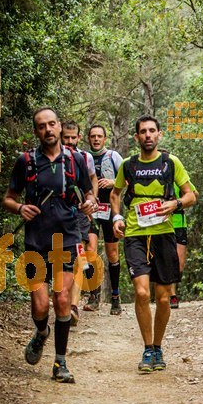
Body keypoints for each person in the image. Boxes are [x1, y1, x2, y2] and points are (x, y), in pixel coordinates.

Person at [3, 107, 96, 383]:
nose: (48, 130)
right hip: (36, 240)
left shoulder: (76, 160)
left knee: (63, 298)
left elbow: (88, 192)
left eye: (52, 124)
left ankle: (60, 363)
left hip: (66, 238)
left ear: (59, 126)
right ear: (36, 132)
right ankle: (42, 333)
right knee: (40, 306)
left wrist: (89, 202)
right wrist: (20, 208)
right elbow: (8, 197)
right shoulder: (26, 161)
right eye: (42, 126)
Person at [110, 115, 196, 373]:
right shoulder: (128, 165)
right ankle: (148, 348)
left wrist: (175, 203)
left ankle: (158, 347)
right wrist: (116, 217)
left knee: (163, 298)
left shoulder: (171, 162)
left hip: (164, 234)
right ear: (136, 137)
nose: (147, 135)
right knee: (141, 292)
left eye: (152, 131)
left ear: (159, 135)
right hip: (135, 234)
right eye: (143, 132)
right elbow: (115, 194)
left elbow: (192, 194)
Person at [60, 121, 98, 325]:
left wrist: (92, 201)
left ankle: (73, 306)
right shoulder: (49, 158)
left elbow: (92, 179)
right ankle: (62, 300)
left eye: (73, 137)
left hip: (80, 213)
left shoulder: (85, 157)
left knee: (78, 256)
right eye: (66, 137)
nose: (70, 141)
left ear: (79, 137)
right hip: (56, 215)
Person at [85, 124, 123, 315]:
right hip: (91, 211)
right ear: (88, 138)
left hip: (110, 211)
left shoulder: (113, 157)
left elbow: (128, 180)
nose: (96, 139)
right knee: (90, 251)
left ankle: (115, 297)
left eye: (100, 136)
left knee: (113, 254)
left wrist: (113, 182)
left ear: (105, 138)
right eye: (93, 136)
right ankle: (94, 296)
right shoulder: (84, 158)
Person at [170, 179, 199, 309]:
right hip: (160, 223)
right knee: (167, 260)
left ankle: (171, 290)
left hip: (179, 223)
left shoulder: (177, 177)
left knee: (179, 264)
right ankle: (172, 295)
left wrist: (180, 202)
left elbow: (194, 194)